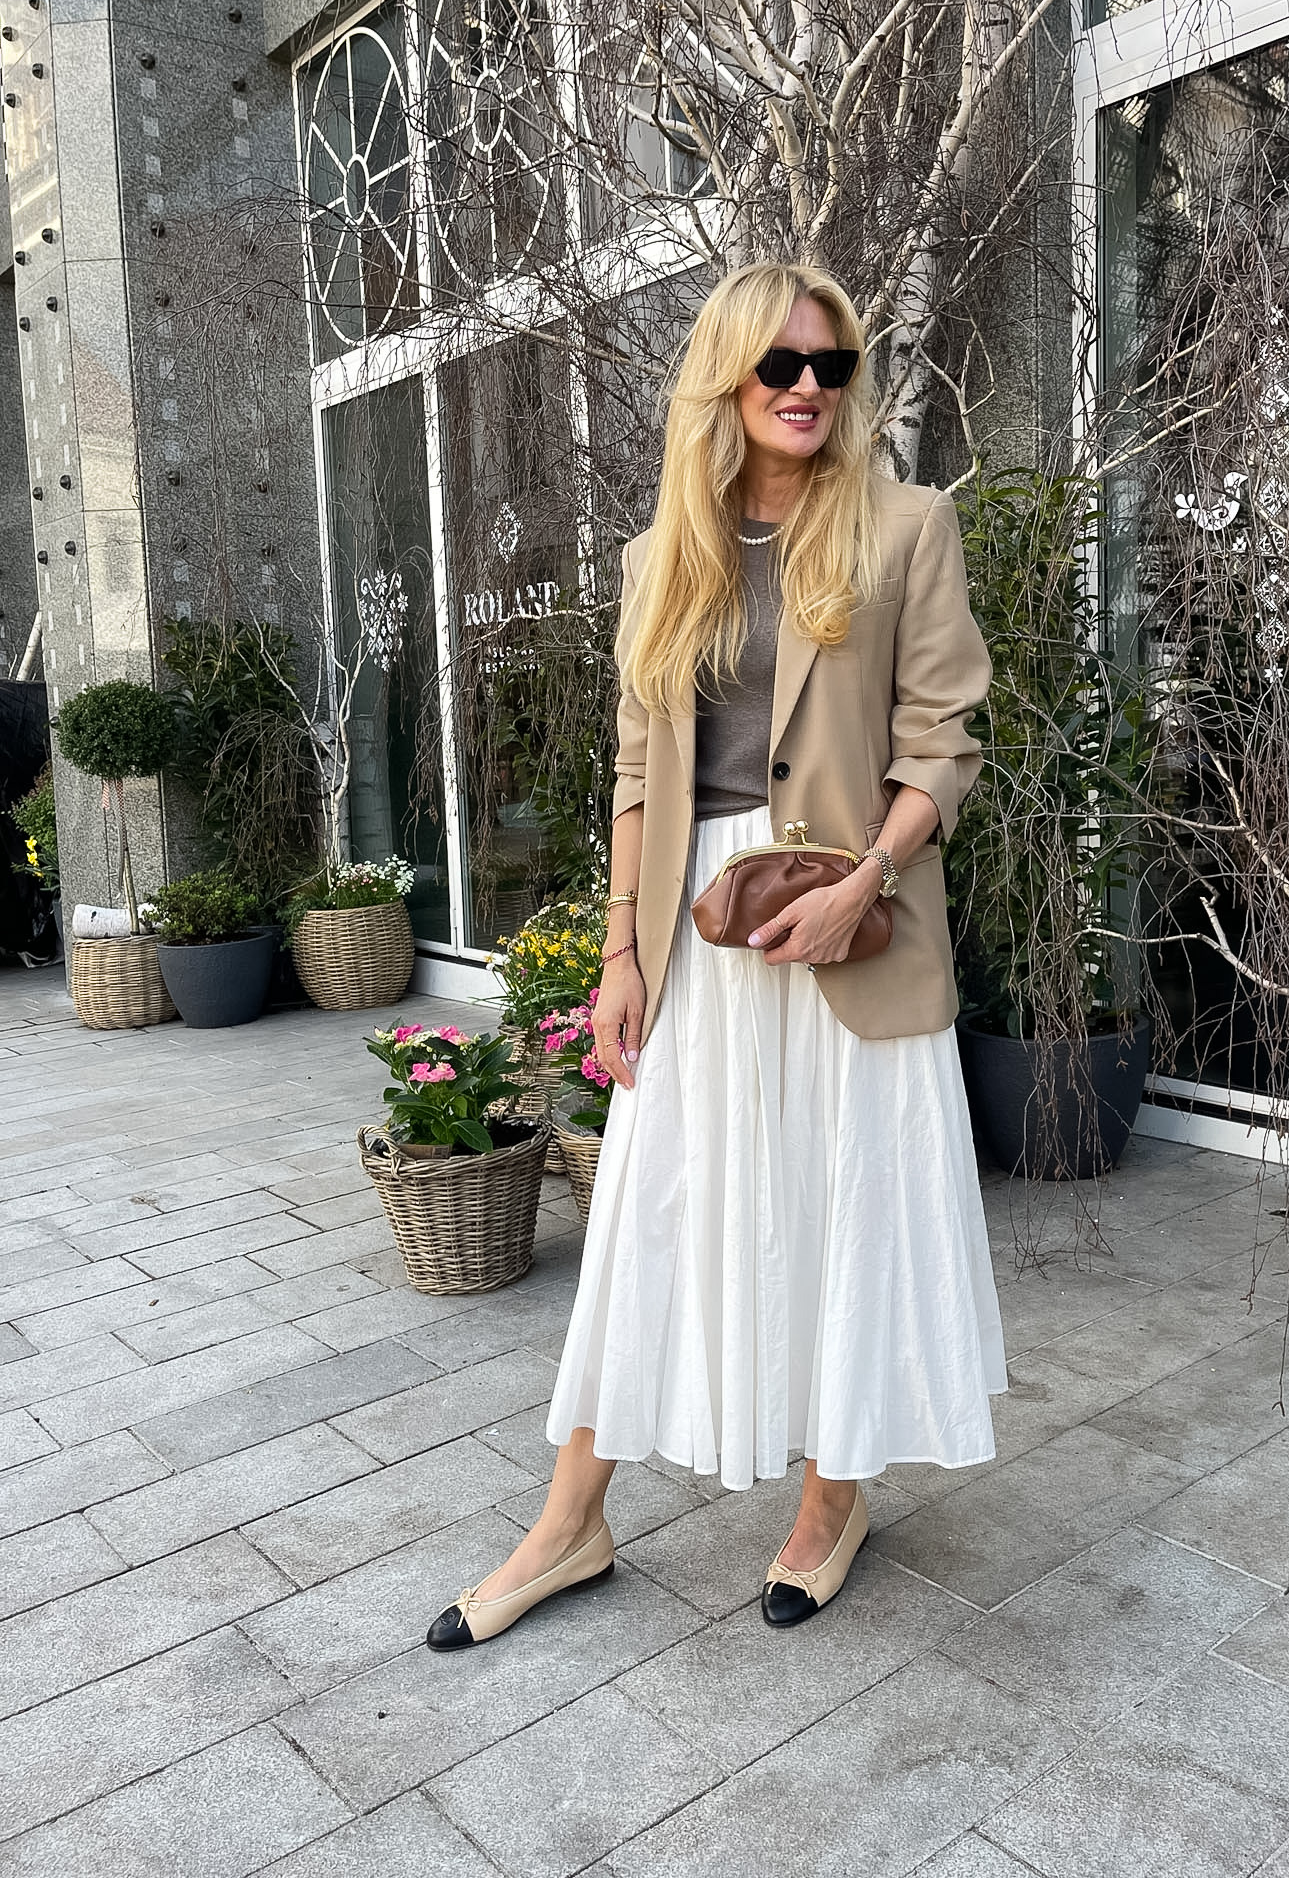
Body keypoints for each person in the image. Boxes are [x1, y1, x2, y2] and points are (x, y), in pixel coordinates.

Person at [427, 262, 1007, 1649]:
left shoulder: (906, 526)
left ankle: (832, 1499)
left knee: (848, 1204)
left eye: (832, 366)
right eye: (780, 365)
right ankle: (570, 1521)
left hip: (850, 918)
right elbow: (639, 771)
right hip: (698, 927)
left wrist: (865, 879)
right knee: (653, 1207)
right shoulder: (663, 556)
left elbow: (947, 742)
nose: (809, 388)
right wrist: (619, 956)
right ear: (728, 378)